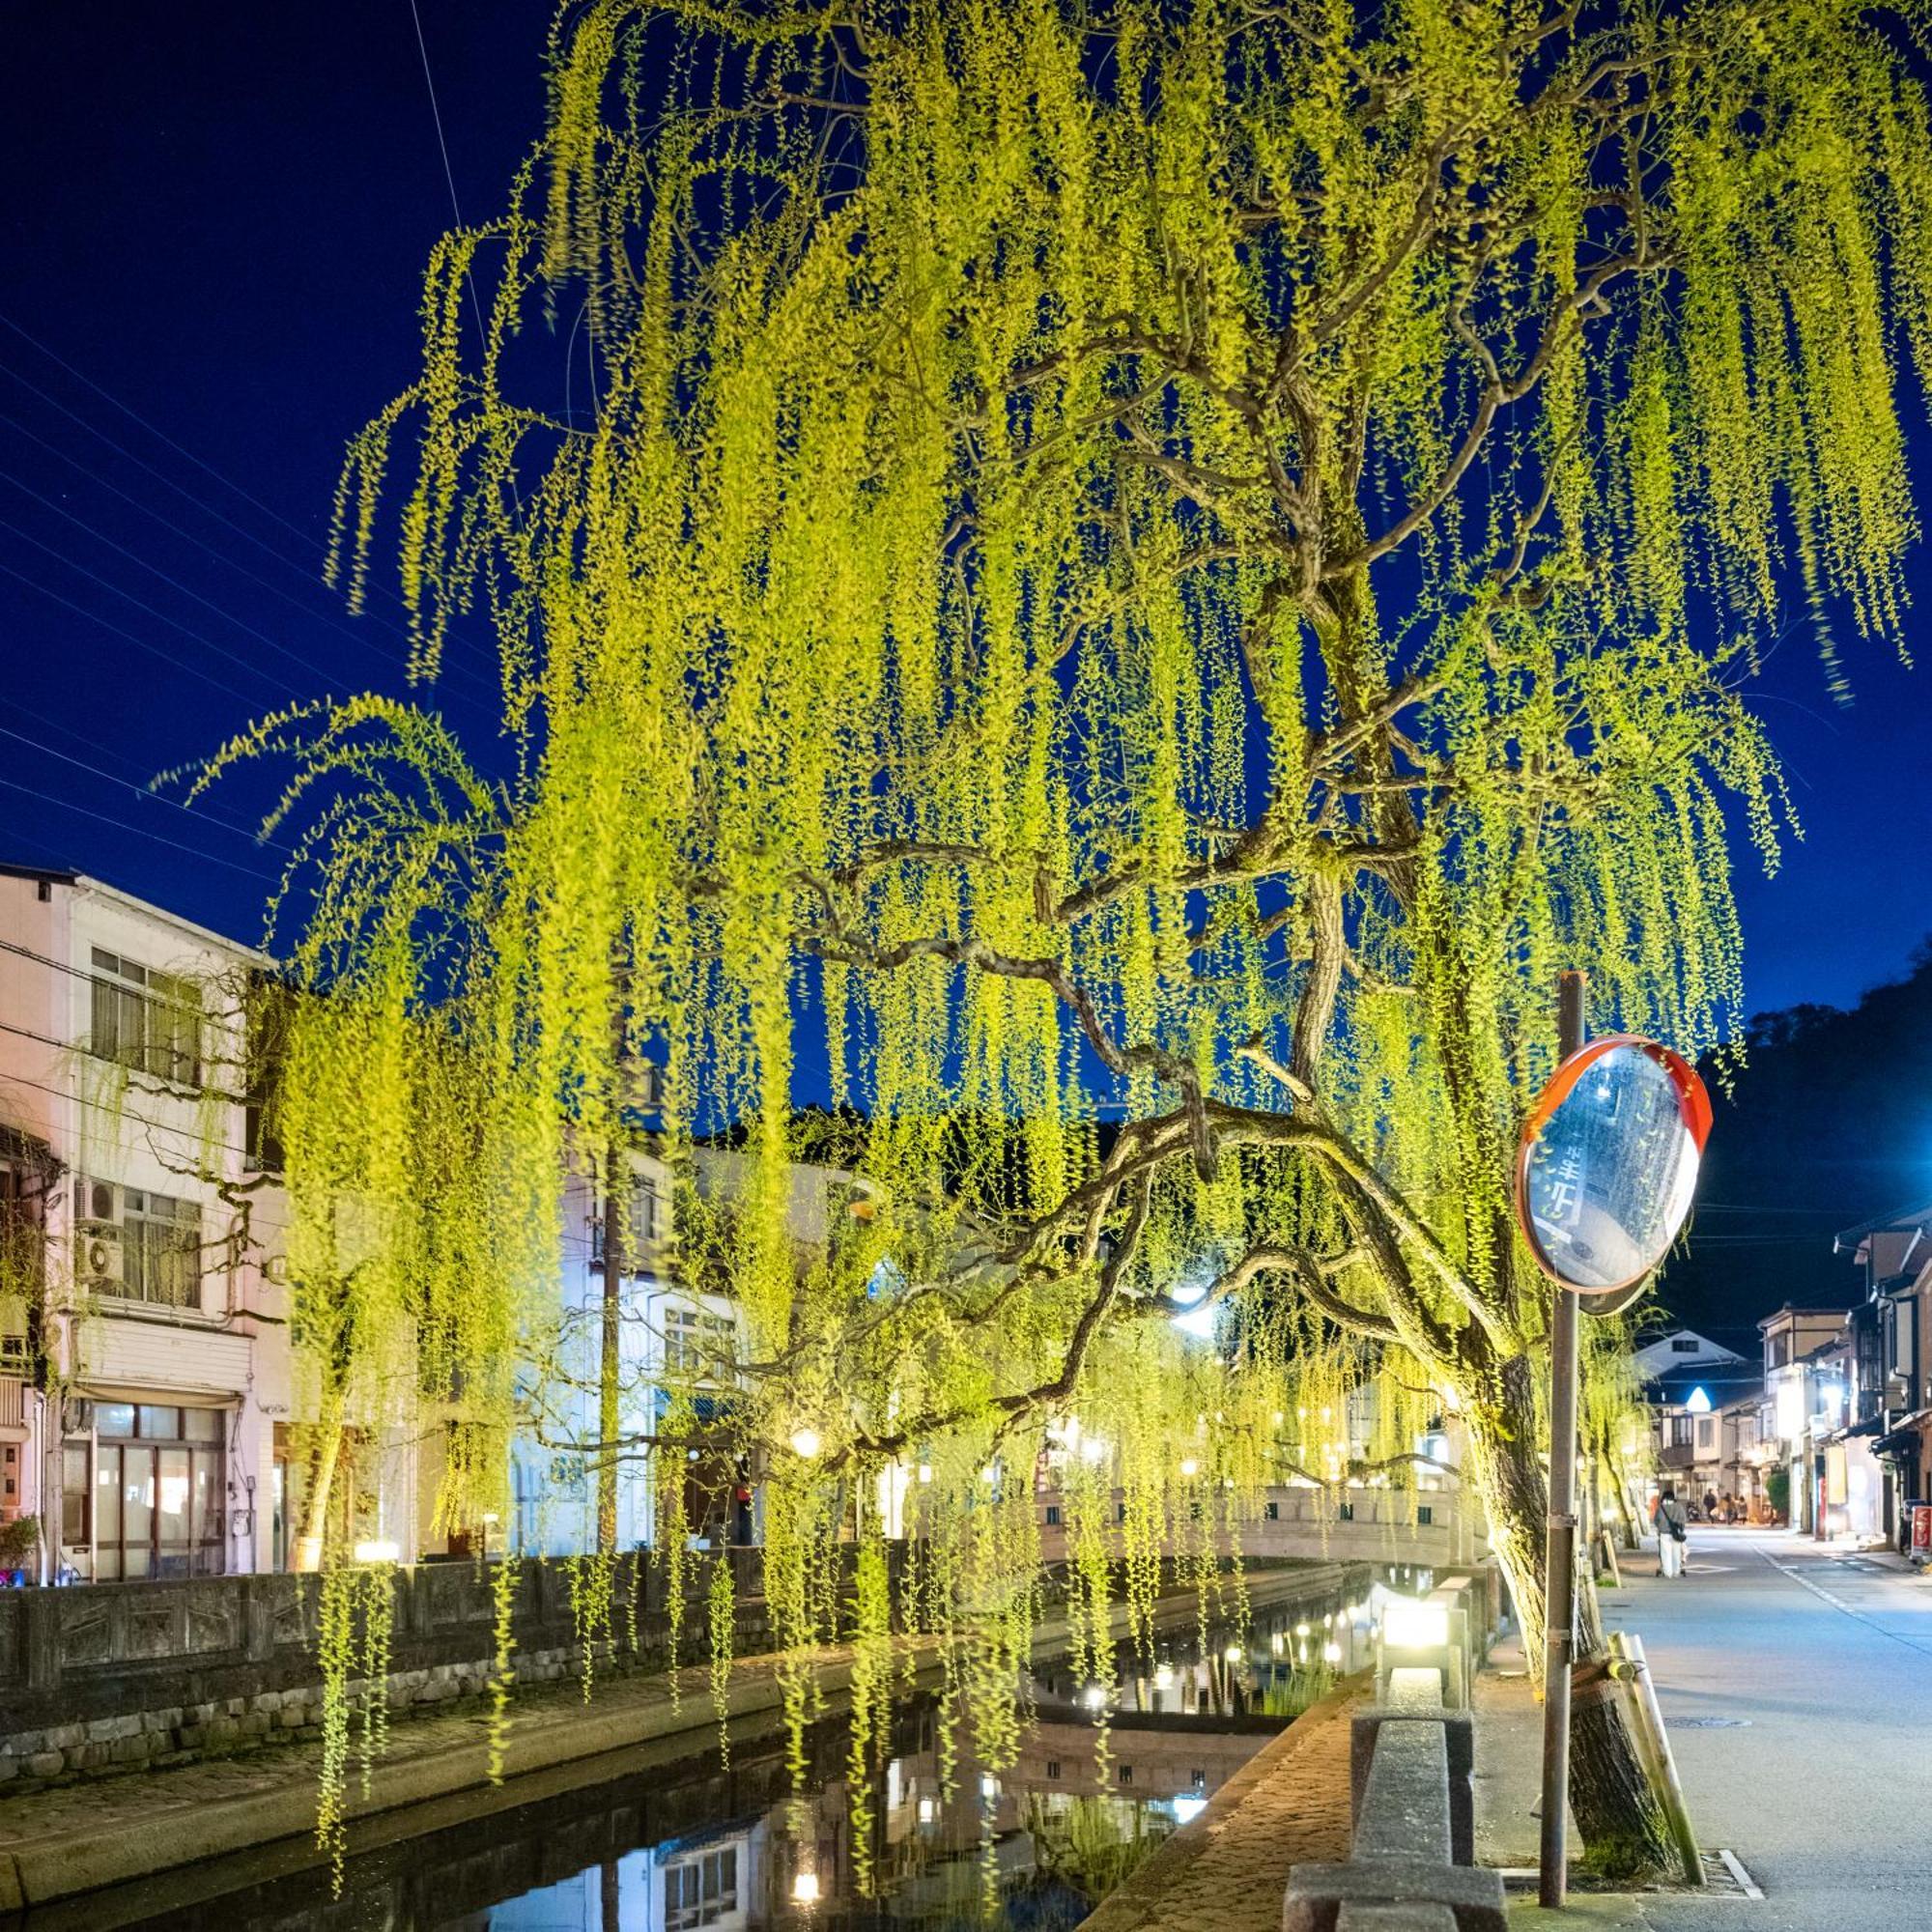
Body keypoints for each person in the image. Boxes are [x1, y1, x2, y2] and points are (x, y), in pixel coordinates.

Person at [1658, 1485, 1689, 1577]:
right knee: (1676, 1553)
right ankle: (1676, 1572)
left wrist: (1661, 1527)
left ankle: (1668, 1573)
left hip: (1664, 1533)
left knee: (1665, 1553)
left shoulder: (1661, 1507)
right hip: (1676, 1533)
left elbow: (1656, 1520)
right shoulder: (1679, 1507)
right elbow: (1683, 1519)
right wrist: (1681, 1528)